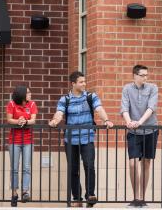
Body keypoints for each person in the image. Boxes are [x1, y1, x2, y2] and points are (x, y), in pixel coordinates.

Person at [49, 71, 114, 208]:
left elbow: (99, 108)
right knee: (73, 169)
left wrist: (106, 120)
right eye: (81, 82)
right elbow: (59, 113)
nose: (84, 84)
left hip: (87, 137)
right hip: (70, 139)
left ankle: (90, 194)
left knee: (89, 166)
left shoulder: (91, 97)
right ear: (73, 84)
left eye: (85, 81)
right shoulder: (65, 99)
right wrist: (55, 121)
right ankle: (77, 198)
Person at [121, 64, 158, 208]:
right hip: (133, 132)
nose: (145, 77)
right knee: (132, 163)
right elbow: (124, 108)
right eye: (142, 75)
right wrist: (129, 122)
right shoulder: (127, 89)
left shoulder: (153, 88)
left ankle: (142, 197)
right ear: (135, 75)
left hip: (150, 130)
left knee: (146, 163)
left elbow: (151, 107)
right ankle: (136, 197)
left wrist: (140, 122)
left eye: (146, 75)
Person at [6, 85, 37, 207]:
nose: (30, 94)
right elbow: (9, 119)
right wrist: (18, 121)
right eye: (28, 93)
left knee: (26, 167)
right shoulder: (12, 104)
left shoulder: (32, 104)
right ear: (22, 95)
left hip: (28, 141)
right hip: (14, 141)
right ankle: (14, 193)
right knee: (14, 168)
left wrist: (25, 122)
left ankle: (25, 191)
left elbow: (33, 120)